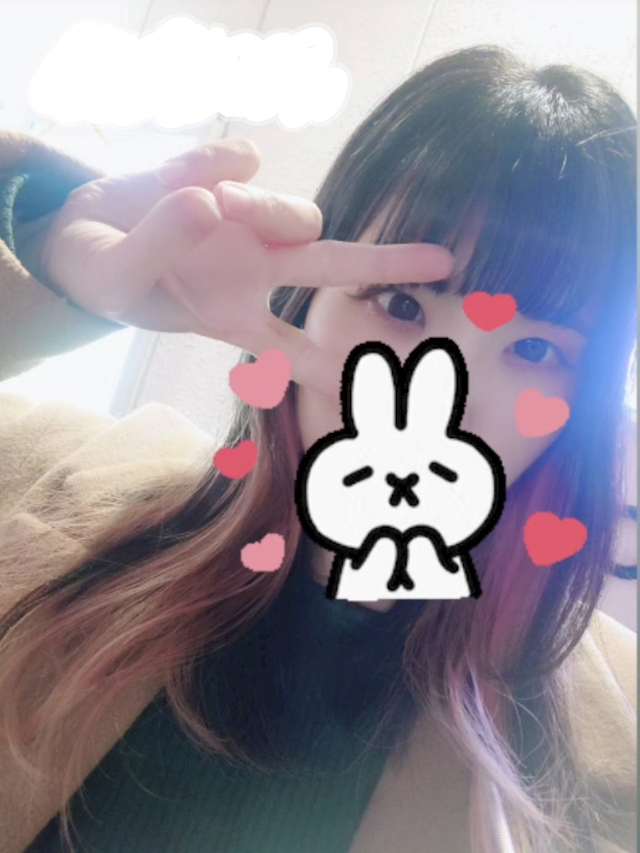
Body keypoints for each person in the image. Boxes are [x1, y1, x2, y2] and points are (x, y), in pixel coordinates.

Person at [0, 44, 636, 853]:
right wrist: (44, 241)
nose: (444, 395)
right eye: (400, 304)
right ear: (307, 297)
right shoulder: (50, 479)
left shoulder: (615, 739)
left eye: (537, 350)